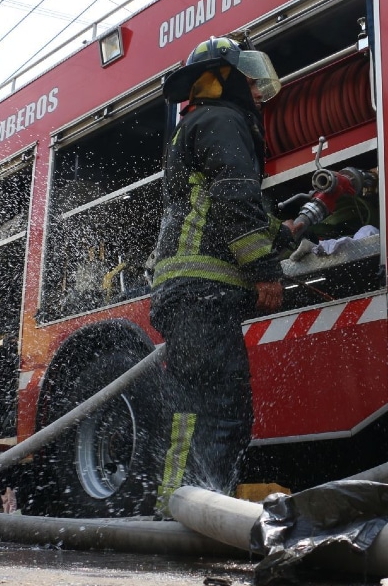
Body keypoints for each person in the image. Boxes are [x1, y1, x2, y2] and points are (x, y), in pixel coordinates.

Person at [152, 37, 289, 516]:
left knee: (193, 410)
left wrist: (285, 233)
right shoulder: (223, 120)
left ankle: (180, 505)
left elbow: (219, 202)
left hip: (189, 291)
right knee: (220, 412)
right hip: (202, 291)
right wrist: (265, 270)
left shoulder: (200, 122)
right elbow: (233, 195)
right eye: (249, 79)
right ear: (226, 78)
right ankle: (199, 512)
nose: (258, 90)